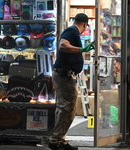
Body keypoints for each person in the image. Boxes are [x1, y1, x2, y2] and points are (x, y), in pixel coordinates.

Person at [48, 13, 95, 150]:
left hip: (65, 75)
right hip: (64, 75)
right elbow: (63, 46)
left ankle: (61, 140)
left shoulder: (73, 31)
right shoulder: (71, 30)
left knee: (65, 108)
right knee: (66, 109)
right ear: (85, 25)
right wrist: (81, 49)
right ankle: (55, 140)